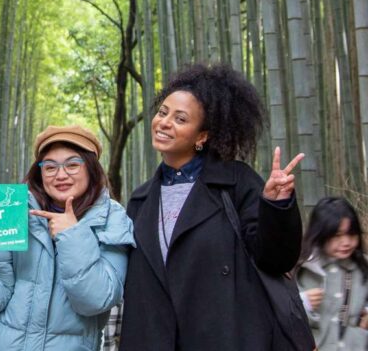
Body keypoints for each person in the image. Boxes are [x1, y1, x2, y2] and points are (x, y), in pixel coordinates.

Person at [119, 63, 309, 351]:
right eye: (162, 112)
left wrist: (276, 204)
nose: (165, 122)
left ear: (202, 136)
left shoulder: (236, 184)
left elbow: (276, 259)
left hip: (224, 336)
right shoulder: (140, 200)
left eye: (180, 119)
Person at [0, 125, 135, 351]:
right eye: (50, 167)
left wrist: (73, 235)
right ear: (39, 172)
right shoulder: (12, 210)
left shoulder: (113, 218)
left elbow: (96, 300)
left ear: (91, 168)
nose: (61, 175)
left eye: (72, 164)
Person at [296, 197, 368, 350]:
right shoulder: (299, 269)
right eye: (337, 235)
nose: (346, 242)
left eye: (351, 234)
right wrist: (302, 303)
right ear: (320, 233)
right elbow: (280, 316)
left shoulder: (363, 267)